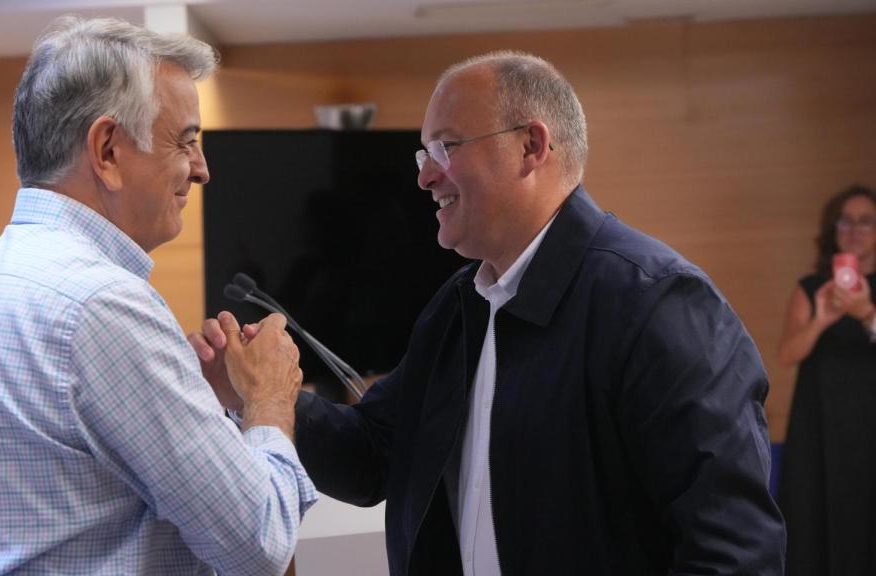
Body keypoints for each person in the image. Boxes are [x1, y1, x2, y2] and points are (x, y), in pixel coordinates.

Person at [195, 51, 786, 574]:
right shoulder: (461, 306)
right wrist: (257, 394)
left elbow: (734, 550)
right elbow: (374, 458)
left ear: (531, 146)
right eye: (423, 154)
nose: (425, 176)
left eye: (446, 147)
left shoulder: (656, 302)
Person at [0, 16, 315, 575]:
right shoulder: (102, 306)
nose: (202, 169)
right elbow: (257, 543)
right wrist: (266, 400)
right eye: (186, 141)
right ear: (108, 151)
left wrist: (203, 406)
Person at [777, 184, 876, 576]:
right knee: (814, 524)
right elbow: (787, 354)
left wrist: (867, 313)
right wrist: (823, 320)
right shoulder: (813, 287)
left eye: (865, 221)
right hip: (820, 431)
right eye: (845, 220)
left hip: (870, 430)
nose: (854, 229)